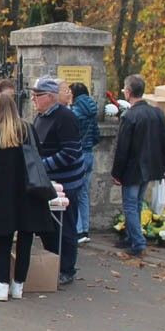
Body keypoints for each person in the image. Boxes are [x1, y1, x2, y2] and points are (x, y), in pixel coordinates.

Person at [0, 92, 54, 301]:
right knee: (26, 239)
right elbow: (38, 156)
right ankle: (18, 284)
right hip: (29, 192)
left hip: (3, 193)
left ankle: (1, 283)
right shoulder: (27, 129)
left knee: (4, 239)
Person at [110, 74, 165, 259]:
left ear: (128, 92)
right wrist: (162, 165)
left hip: (133, 167)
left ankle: (137, 242)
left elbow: (123, 148)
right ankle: (131, 237)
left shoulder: (130, 116)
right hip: (150, 167)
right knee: (136, 203)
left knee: (130, 204)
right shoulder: (157, 113)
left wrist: (116, 173)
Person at [31, 75, 84, 284]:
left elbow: (71, 152)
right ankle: (52, 262)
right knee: (48, 225)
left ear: (50, 97)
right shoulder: (40, 116)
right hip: (48, 182)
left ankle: (67, 269)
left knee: (66, 226)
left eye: (37, 95)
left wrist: (41, 165)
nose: (33, 99)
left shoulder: (66, 118)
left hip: (66, 183)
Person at [70, 82, 100, 243]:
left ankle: (78, 230)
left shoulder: (74, 112)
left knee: (75, 192)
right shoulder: (92, 111)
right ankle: (85, 229)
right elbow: (97, 135)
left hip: (78, 155)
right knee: (84, 194)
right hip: (89, 153)